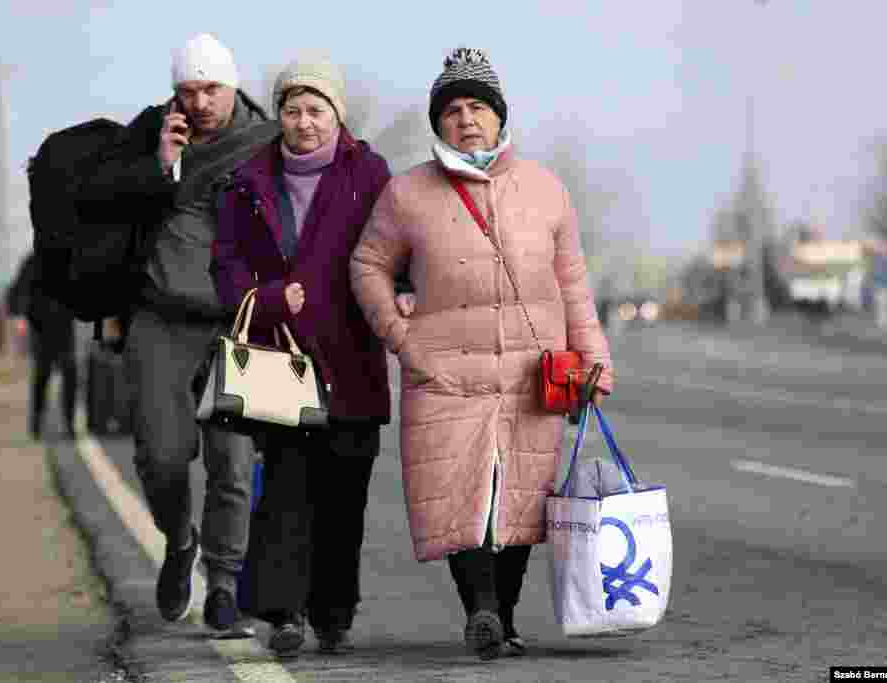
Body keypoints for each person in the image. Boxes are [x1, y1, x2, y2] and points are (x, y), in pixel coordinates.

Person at [350, 47, 614, 660]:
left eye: (478, 107)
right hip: (444, 374)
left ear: (499, 116)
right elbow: (367, 266)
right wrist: (401, 336)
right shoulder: (406, 194)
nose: (466, 119)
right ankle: (482, 611)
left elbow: (573, 282)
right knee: (461, 497)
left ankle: (505, 617)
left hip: (532, 375)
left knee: (520, 498)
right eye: (452, 110)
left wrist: (593, 359)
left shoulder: (545, 190)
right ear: (437, 123)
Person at [76, 33, 279, 633]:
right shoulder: (147, 133)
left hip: (237, 323)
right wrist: (159, 168)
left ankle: (222, 584)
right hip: (159, 317)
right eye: (187, 91)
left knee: (233, 464)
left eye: (211, 89)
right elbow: (98, 201)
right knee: (161, 456)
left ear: (232, 84)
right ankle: (178, 538)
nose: (199, 103)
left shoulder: (268, 142)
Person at [211, 53, 396, 660]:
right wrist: (264, 299)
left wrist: (408, 291)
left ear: (336, 115)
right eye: (292, 109)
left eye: (316, 109)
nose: (303, 121)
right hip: (281, 365)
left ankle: (333, 613)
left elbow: (399, 246)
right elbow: (226, 261)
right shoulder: (248, 179)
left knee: (344, 499)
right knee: (287, 492)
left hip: (351, 359)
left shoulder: (369, 173)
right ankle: (284, 614)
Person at [5, 251, 77, 440]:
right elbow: (18, 289)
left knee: (70, 370)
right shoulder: (32, 261)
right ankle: (36, 423)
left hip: (64, 327)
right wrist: (19, 316)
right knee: (42, 374)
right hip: (40, 328)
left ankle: (69, 424)